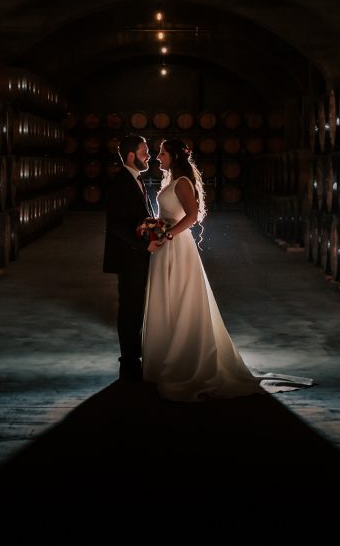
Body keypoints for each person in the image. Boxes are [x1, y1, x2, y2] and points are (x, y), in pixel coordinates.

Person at [141, 138, 314, 402]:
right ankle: (165, 357)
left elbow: (192, 215)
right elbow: (168, 213)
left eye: (162, 153)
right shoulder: (168, 181)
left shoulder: (183, 183)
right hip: (165, 246)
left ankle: (185, 361)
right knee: (167, 300)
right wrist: (155, 227)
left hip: (176, 247)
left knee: (181, 299)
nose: (157, 157)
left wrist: (167, 235)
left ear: (174, 156)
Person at [103, 134, 161, 382]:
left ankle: (134, 355)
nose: (148, 156)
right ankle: (128, 360)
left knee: (136, 306)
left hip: (136, 255)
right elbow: (116, 225)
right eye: (144, 151)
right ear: (130, 156)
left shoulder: (135, 179)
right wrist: (142, 245)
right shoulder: (120, 182)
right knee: (130, 307)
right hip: (129, 256)